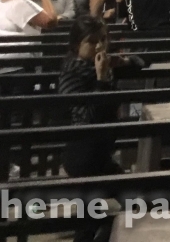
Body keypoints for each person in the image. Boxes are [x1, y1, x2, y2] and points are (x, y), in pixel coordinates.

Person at [59, 14, 143, 242]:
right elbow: (87, 118)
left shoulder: (100, 64)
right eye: (92, 41)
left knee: (96, 218)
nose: (99, 46)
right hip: (83, 156)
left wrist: (123, 62)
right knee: (117, 208)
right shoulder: (72, 73)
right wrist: (101, 78)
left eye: (103, 39)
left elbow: (141, 63)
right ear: (77, 45)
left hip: (99, 154)